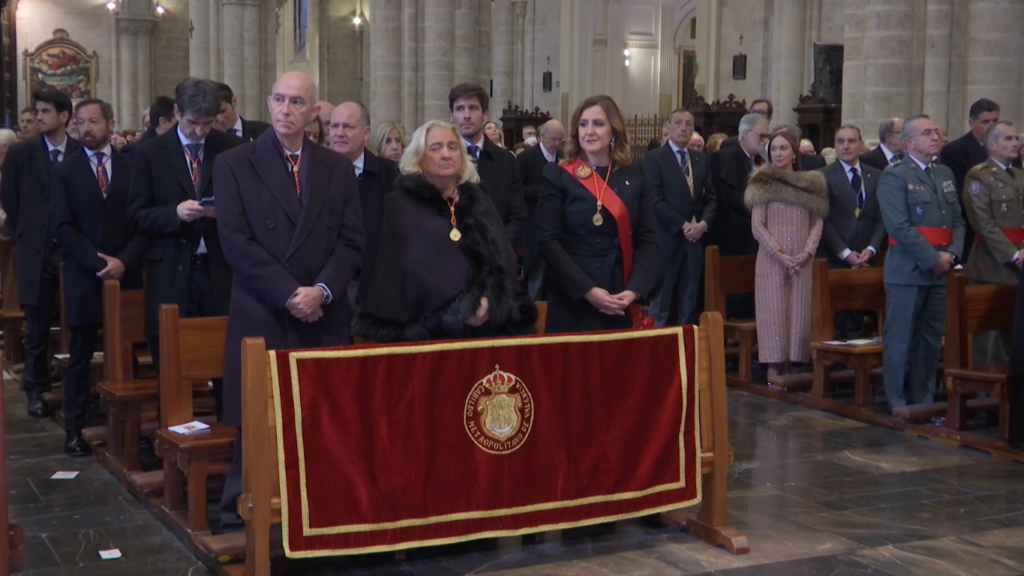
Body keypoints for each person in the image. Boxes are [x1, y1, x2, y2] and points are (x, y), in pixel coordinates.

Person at [215, 71, 364, 531]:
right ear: (267, 101)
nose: (285, 109)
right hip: (264, 306)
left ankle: (322, 508)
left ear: (313, 112)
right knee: (258, 417)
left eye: (297, 102)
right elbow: (236, 243)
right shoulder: (236, 163)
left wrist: (320, 291)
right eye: (279, 99)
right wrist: (289, 293)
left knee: (321, 416)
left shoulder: (336, 167)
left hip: (322, 309)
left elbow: (352, 241)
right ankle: (244, 509)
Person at [352, 119, 535, 342]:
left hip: (486, 325)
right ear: (419, 157)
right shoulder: (401, 204)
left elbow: (501, 255)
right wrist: (460, 309)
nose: (446, 155)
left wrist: (490, 299)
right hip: (429, 330)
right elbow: (407, 270)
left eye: (453, 147)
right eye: (436, 148)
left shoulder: (478, 197)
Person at [127, 78, 243, 385]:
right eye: (193, 122)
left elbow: (250, 210)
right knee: (172, 365)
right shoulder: (149, 153)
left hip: (219, 270)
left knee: (226, 363)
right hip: (170, 270)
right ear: (177, 112)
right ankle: (174, 430)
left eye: (208, 123)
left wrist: (225, 213)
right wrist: (173, 213)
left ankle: (230, 428)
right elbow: (136, 216)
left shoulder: (232, 149)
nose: (200, 132)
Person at [50, 99, 145, 456]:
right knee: (80, 354)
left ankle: (131, 432)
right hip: (84, 275)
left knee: (128, 350)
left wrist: (124, 261)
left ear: (111, 123)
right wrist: (97, 262)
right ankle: (74, 429)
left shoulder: (132, 168)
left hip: (126, 273)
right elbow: (63, 226)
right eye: (81, 122)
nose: (85, 128)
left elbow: (141, 222)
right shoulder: (66, 170)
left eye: (93, 121)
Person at [536, 95, 657, 333]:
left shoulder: (637, 173)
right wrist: (588, 291)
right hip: (573, 294)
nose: (589, 131)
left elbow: (648, 239)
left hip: (620, 293)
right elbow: (547, 241)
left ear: (614, 130)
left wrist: (633, 291)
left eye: (598, 124)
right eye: (583, 124)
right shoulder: (557, 174)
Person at [1, 88, 80, 419]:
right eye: (37, 112)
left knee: (77, 323)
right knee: (37, 328)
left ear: (64, 117)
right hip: (36, 250)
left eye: (46, 112)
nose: (38, 117)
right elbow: (11, 200)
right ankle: (36, 389)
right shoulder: (22, 154)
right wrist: (27, 233)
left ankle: (76, 387)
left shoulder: (79, 151)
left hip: (73, 252)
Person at [879, 114, 966, 409]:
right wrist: (933, 259)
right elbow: (898, 226)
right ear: (908, 143)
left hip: (940, 270)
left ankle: (923, 399)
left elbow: (958, 221)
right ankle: (897, 400)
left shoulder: (944, 174)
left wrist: (951, 256)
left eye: (937, 132)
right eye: (927, 132)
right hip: (907, 270)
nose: (935, 137)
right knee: (901, 340)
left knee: (929, 342)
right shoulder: (895, 175)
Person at [746, 131, 827, 377]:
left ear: (794, 153)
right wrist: (778, 253)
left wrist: (807, 252)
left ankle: (794, 363)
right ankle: (773, 365)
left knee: (799, 311)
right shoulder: (762, 182)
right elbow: (757, 225)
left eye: (783, 149)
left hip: (802, 259)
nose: (778, 154)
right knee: (773, 310)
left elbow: (817, 222)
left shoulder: (811, 183)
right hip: (772, 260)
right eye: (774, 150)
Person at [646, 108, 716, 327]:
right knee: (661, 304)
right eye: (678, 123)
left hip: (694, 241)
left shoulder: (700, 159)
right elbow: (654, 200)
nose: (683, 128)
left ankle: (688, 353)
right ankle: (657, 354)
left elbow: (712, 197)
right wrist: (682, 224)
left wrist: (703, 224)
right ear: (667, 128)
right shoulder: (654, 158)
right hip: (668, 239)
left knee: (689, 301)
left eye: (688, 124)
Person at [961, 121, 1023, 365]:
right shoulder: (979, 175)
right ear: (991, 145)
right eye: (1008, 139)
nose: (1015, 143)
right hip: (993, 265)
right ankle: (984, 395)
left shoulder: (1019, 175)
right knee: (988, 340)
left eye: (1016, 138)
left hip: (1020, 265)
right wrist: (1014, 255)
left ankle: (1011, 396)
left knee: (1013, 337)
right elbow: (983, 223)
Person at [817, 125, 885, 338]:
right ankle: (835, 363)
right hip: (835, 256)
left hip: (866, 255)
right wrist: (845, 253)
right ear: (835, 146)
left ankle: (856, 367)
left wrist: (872, 248)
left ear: (861, 145)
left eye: (851, 141)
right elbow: (823, 220)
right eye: (841, 141)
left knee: (858, 315)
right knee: (836, 319)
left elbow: (881, 217)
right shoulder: (821, 176)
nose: (846, 146)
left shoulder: (876, 176)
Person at [330, 101, 400, 305]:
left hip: (378, 282)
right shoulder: (315, 172)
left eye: (348, 127)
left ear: (366, 133)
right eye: (334, 126)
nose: (339, 133)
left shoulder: (390, 173)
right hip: (330, 283)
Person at [449, 83, 526, 249]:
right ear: (451, 115)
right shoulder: (442, 159)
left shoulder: (506, 160)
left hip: (497, 254)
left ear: (485, 114)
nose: (467, 115)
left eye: (473, 108)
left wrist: (501, 247)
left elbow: (517, 214)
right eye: (460, 109)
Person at [709, 113, 770, 324]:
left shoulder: (760, 161)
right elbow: (732, 199)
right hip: (733, 238)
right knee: (736, 300)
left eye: (766, 137)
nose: (764, 141)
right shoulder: (724, 159)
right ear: (745, 133)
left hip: (754, 240)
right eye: (761, 136)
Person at [941, 98, 1000, 253]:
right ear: (971, 122)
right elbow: (959, 193)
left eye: (995, 121)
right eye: (985, 122)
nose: (991, 127)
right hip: (973, 228)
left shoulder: (1006, 149)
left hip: (1004, 226)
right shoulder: (955, 150)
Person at [517, 119, 565, 301]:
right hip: (535, 225)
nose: (557, 144)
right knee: (537, 276)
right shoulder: (526, 158)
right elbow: (518, 189)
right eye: (553, 139)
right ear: (541, 136)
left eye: (561, 140)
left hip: (559, 227)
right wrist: (545, 192)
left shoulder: (563, 158)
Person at [121, 96, 176, 161]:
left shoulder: (175, 148)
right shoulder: (134, 151)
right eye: (177, 121)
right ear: (164, 122)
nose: (179, 126)